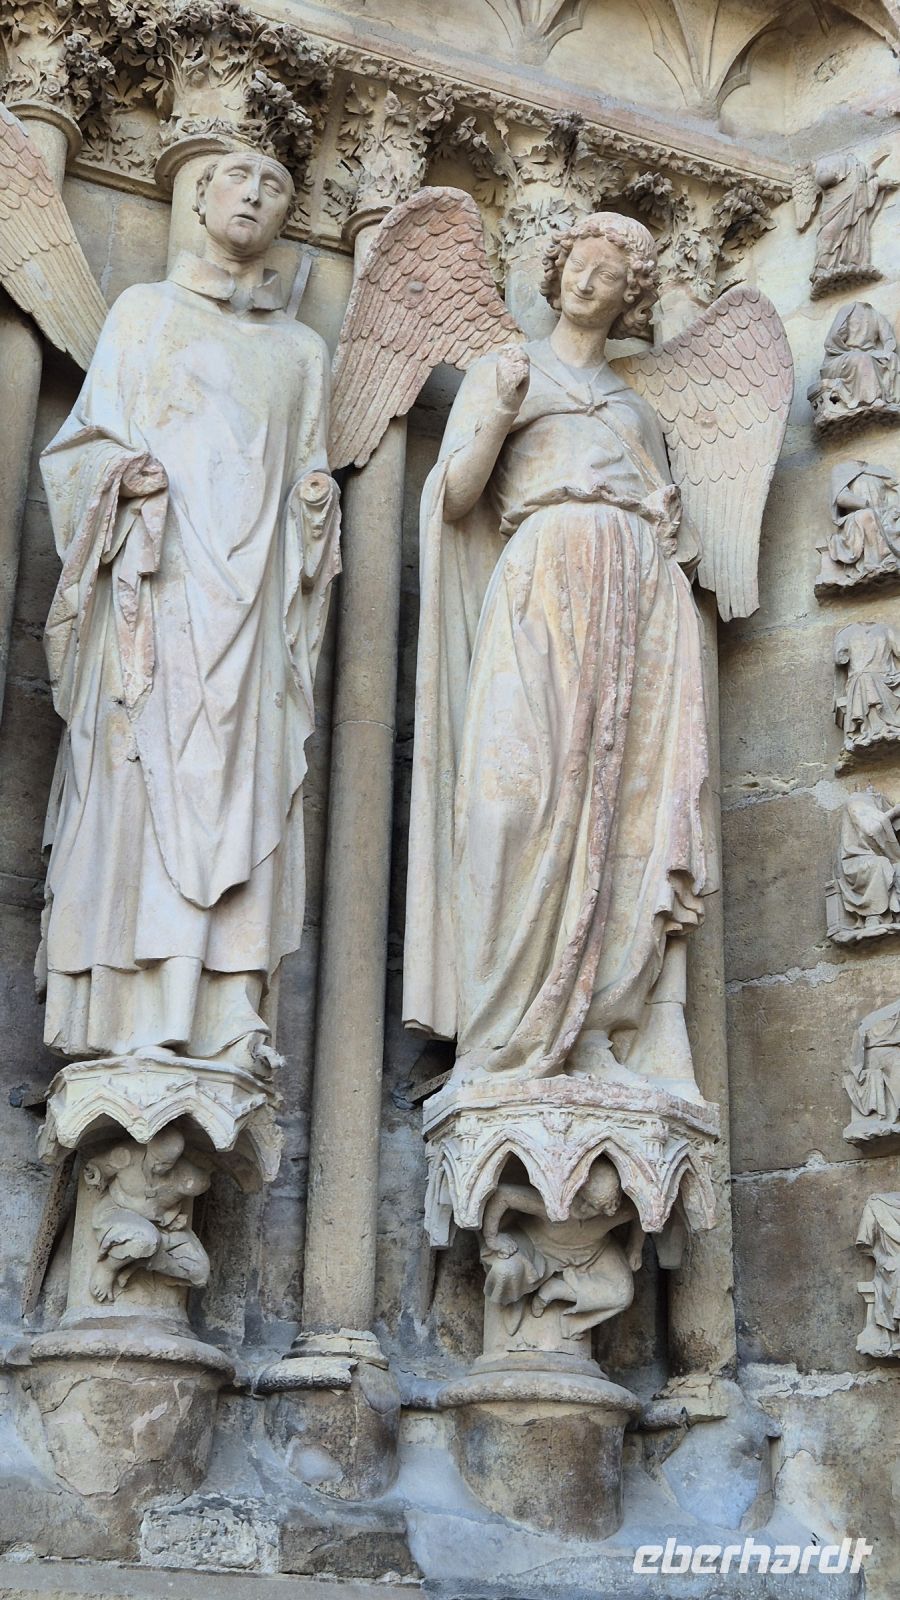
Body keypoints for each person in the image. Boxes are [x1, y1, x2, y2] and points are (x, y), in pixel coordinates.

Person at [37, 148, 340, 1077]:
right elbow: (77, 451)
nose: (254, 194)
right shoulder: (145, 315)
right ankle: (134, 1008)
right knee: (135, 788)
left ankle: (222, 1007)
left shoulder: (301, 351)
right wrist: (119, 478)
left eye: (277, 186)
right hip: (157, 597)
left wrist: (316, 512)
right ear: (196, 199)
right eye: (236, 179)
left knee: (246, 795)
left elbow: (308, 470)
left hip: (251, 620)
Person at [404, 213, 709, 1094]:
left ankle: (598, 1025)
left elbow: (666, 509)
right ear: (555, 271)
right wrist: (496, 414)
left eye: (611, 274)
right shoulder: (508, 372)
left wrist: (663, 526)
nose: (590, 280)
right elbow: (457, 496)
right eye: (581, 263)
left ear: (628, 299)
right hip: (537, 584)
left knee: (619, 809)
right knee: (510, 803)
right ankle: (499, 1029)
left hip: (632, 599)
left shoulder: (635, 409)